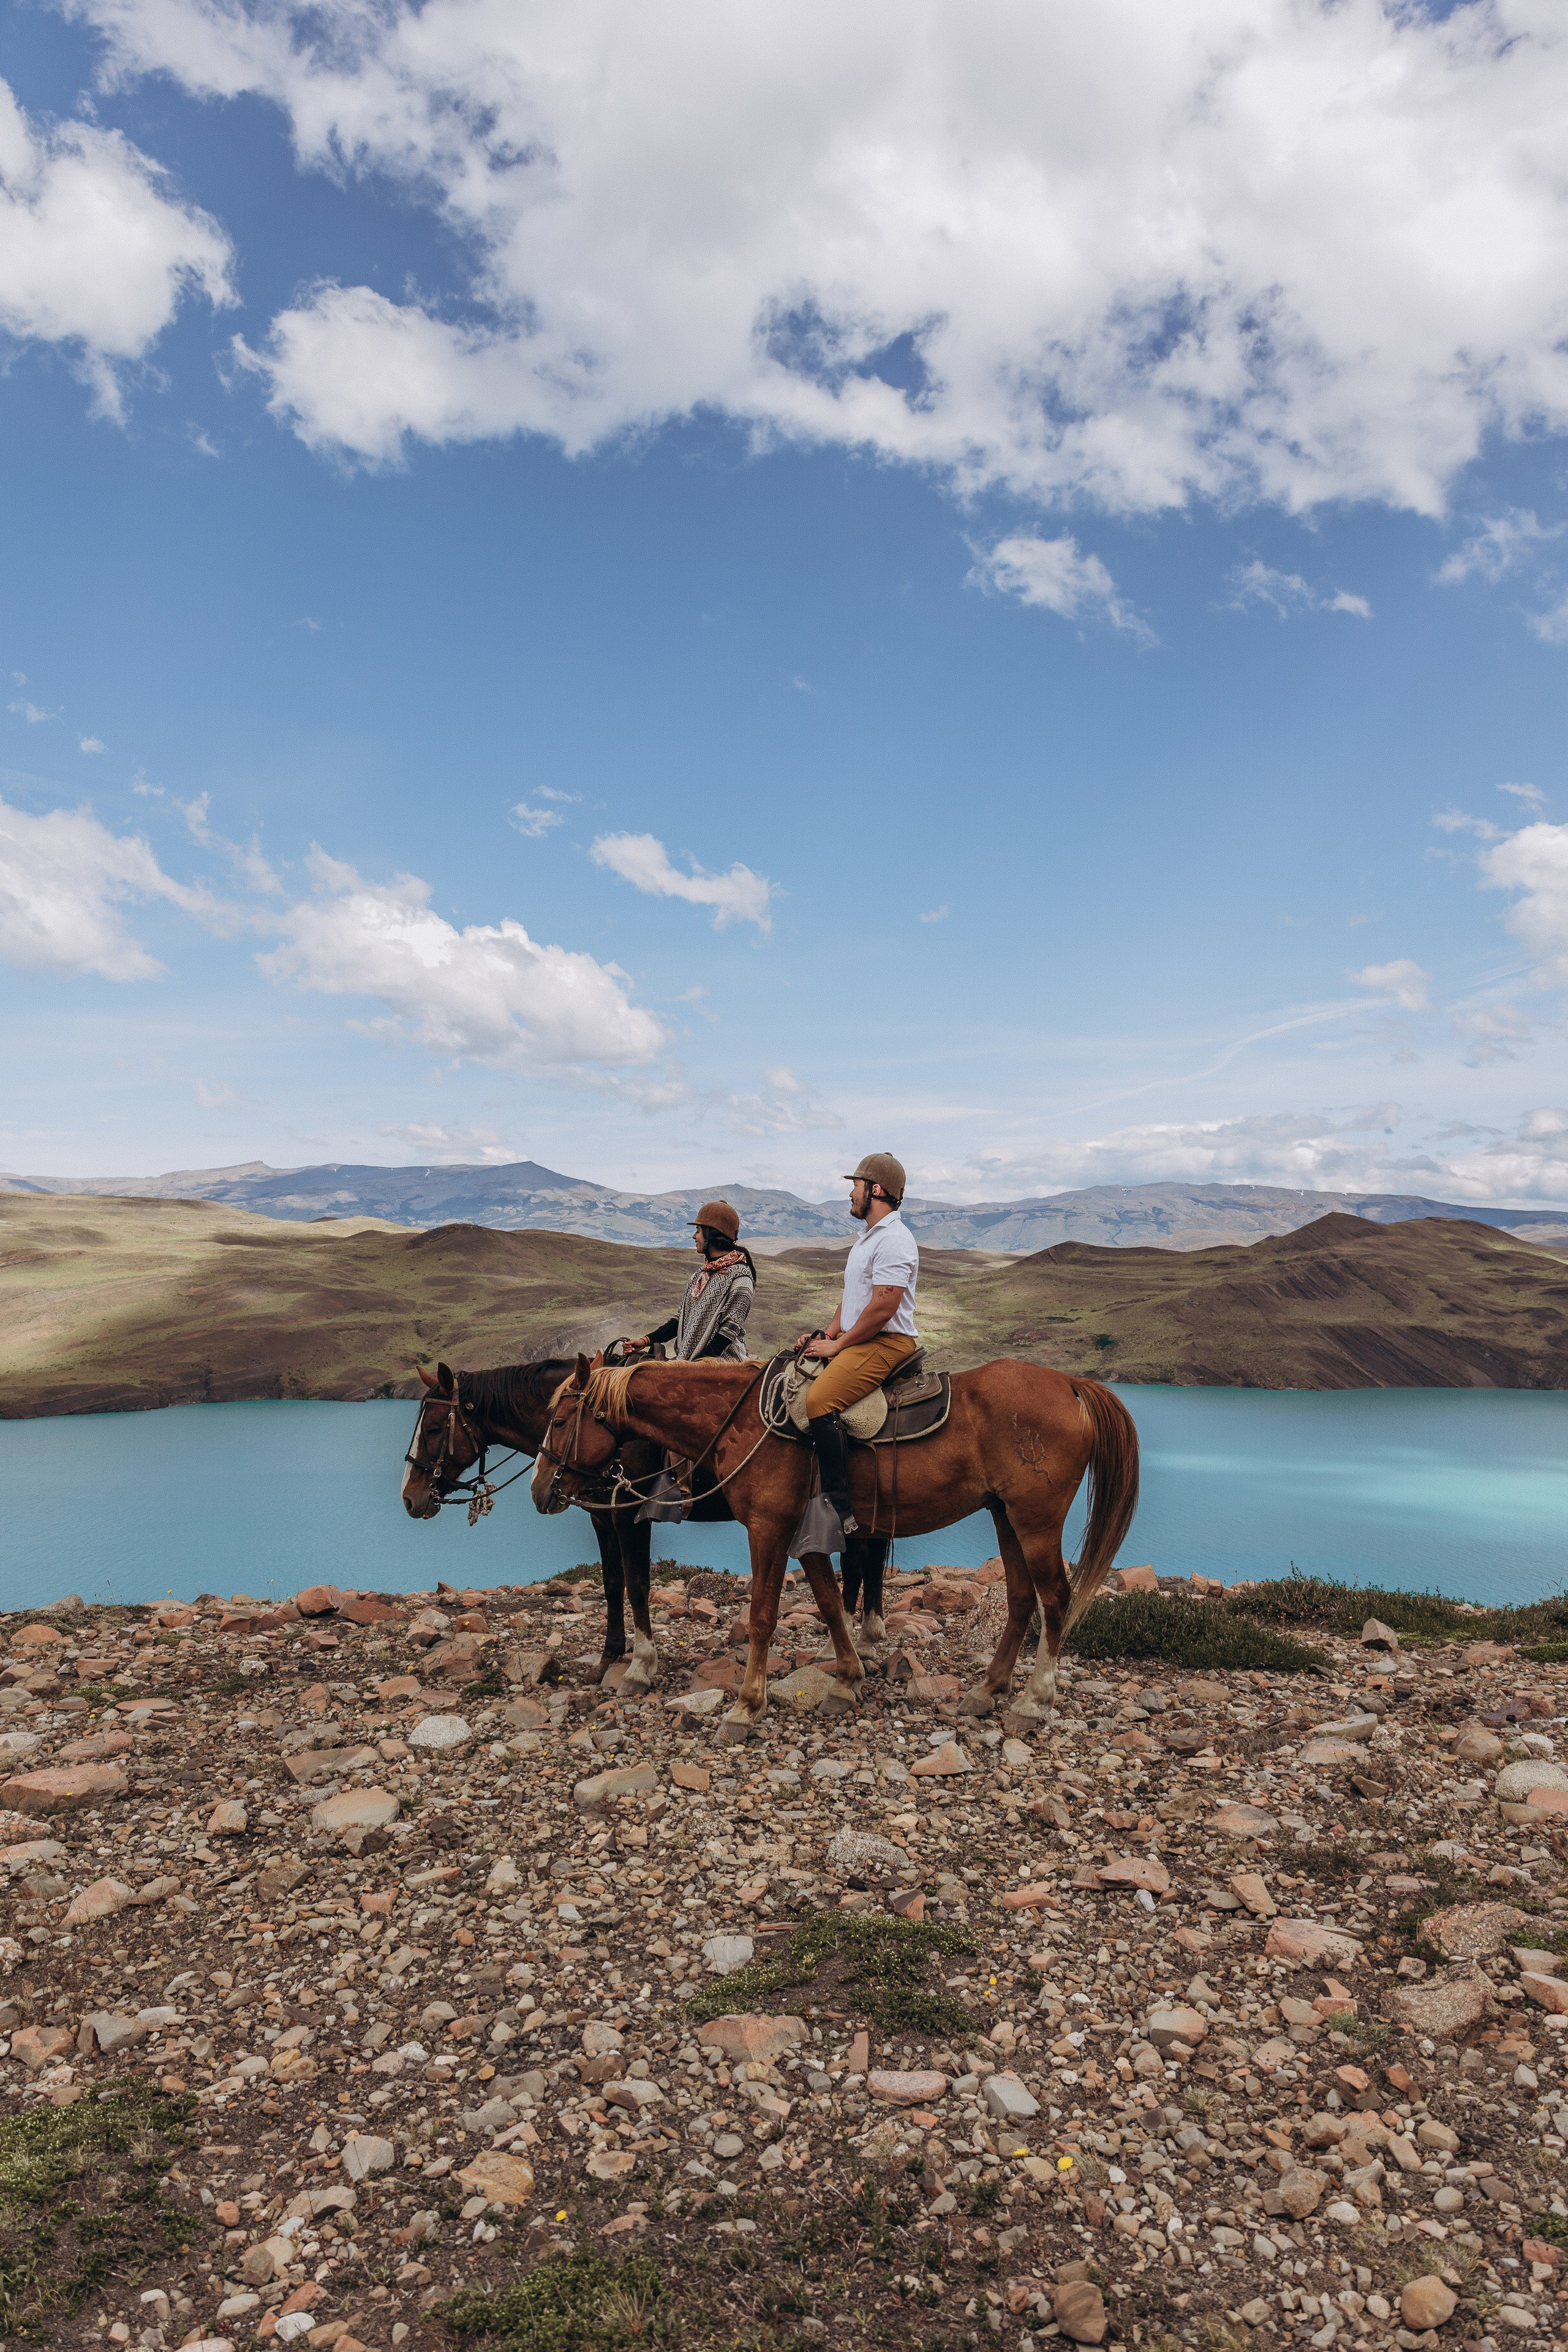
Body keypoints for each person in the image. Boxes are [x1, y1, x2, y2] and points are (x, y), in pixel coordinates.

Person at [795, 1151, 918, 1539]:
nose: (851, 1193)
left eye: (856, 1185)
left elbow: (883, 1307)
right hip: (861, 1338)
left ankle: (839, 1506)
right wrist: (828, 1334)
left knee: (819, 1401)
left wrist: (838, 1347)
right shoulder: (869, 1238)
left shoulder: (895, 1239)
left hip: (886, 1343)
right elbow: (853, 1299)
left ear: (876, 1189)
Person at [631, 1199, 756, 1361]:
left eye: (698, 1231)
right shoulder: (700, 1276)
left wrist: (696, 1365)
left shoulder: (741, 1277)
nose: (694, 1236)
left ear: (712, 1234)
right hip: (689, 1364)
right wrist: (646, 1340)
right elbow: (679, 1320)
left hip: (724, 1366)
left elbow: (728, 1331)